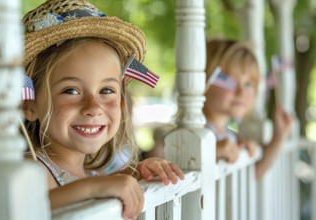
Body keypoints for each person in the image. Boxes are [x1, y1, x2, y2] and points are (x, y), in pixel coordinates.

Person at [21, 0, 184, 219]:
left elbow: (88, 186)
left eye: (106, 90)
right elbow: (23, 209)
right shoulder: (30, 169)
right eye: (71, 90)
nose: (94, 107)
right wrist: (96, 187)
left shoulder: (89, 173)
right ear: (29, 104)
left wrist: (137, 172)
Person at [204, 38, 293, 180]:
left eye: (248, 84)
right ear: (203, 80)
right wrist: (208, 153)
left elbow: (254, 175)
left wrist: (279, 137)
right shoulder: (191, 134)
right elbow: (166, 156)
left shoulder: (231, 136)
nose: (241, 92)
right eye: (228, 80)